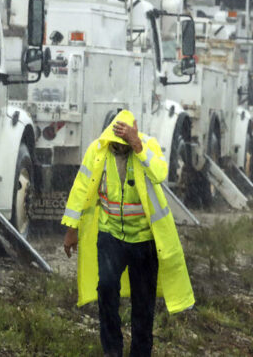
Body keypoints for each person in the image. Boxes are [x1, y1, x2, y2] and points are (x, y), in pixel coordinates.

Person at [62, 110, 194, 357]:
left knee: (143, 307)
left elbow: (160, 173)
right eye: (116, 143)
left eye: (123, 144)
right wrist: (72, 229)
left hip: (144, 241)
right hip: (111, 236)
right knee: (107, 289)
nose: (118, 148)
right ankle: (112, 350)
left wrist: (137, 145)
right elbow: (80, 189)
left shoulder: (147, 145)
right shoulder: (97, 150)